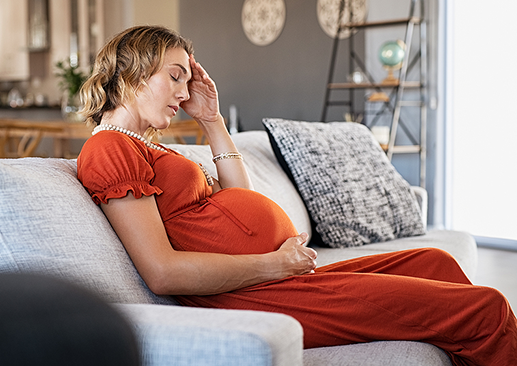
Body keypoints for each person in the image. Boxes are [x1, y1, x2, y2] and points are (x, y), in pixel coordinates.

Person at [77, 25, 516, 366]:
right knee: (488, 310)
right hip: (249, 295)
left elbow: (240, 198)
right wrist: (274, 263)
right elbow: (162, 272)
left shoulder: (150, 145)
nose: (183, 92)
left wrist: (212, 121)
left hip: (281, 277)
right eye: (175, 77)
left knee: (435, 262)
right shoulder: (109, 147)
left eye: (187, 80)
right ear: (133, 73)